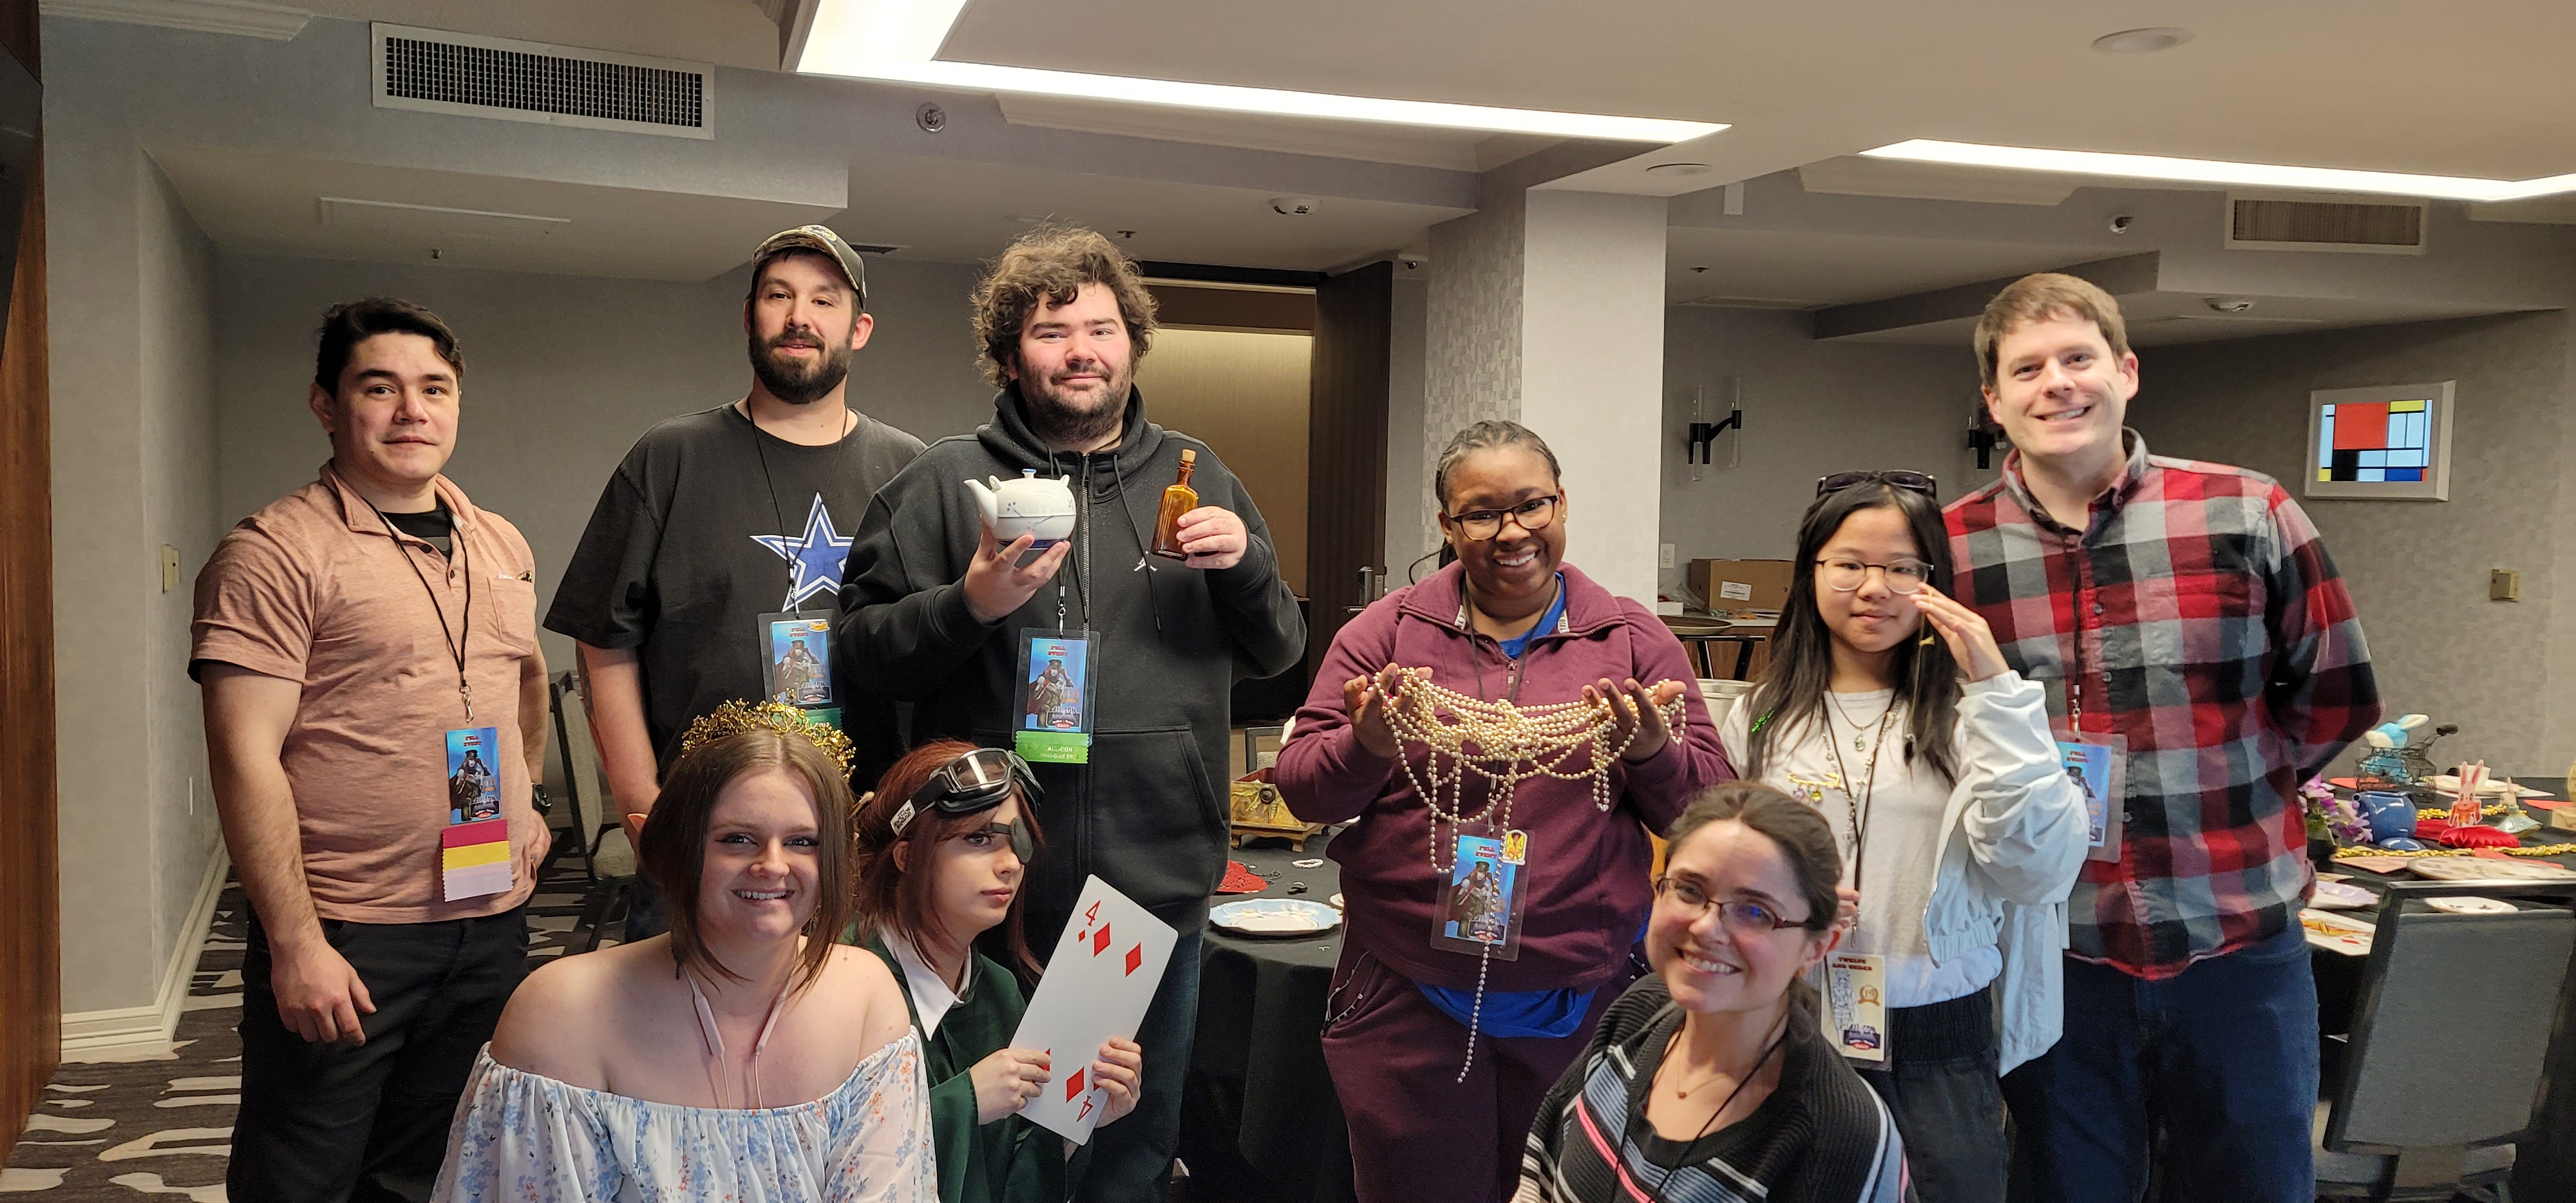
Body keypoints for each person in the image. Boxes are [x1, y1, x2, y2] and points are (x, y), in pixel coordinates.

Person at [837, 223, 1303, 1199]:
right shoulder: (942, 484)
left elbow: (1279, 652)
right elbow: (863, 654)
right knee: (991, 1136)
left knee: (1127, 1133)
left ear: (1132, 345)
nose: (1080, 350)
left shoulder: (1197, 474)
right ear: (1011, 355)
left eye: (1101, 329)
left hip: (1149, 878)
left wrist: (1248, 568)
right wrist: (971, 604)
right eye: (1052, 332)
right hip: (983, 883)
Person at [1944, 273, 2380, 1202]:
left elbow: (2336, 693)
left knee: (2255, 1187)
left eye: (2077, 357)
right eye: (2027, 368)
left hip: (2237, 944)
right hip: (2053, 953)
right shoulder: (1952, 549)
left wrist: (2239, 788)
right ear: (1994, 399)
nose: (2057, 383)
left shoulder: (2247, 510)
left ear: (2127, 372)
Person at [1273, 420, 1730, 1202]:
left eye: (1531, 504)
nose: (1511, 530)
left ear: (1561, 503)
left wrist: (1653, 751)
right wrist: (1367, 744)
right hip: (1408, 990)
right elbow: (1304, 790)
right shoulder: (1388, 632)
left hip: (1582, 994)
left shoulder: (1628, 638)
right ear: (1448, 526)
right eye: (1481, 513)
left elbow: (1711, 814)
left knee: (1565, 1190)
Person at [193, 298, 551, 1201]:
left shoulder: (500, 541)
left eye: (434, 388)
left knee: (433, 1163)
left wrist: (531, 804)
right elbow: (244, 757)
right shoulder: (275, 553)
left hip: (487, 918)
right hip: (350, 932)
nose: (412, 411)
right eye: (379, 388)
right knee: (301, 1172)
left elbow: (523, 687)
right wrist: (295, 943)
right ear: (326, 404)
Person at [547, 224, 925, 941]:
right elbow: (603, 640)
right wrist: (641, 801)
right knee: (679, 1014)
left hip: (861, 839)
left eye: (824, 300)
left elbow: (934, 644)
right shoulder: (671, 457)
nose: (799, 316)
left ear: (860, 328)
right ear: (749, 317)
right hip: (702, 839)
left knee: (851, 1013)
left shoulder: (909, 470)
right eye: (778, 296)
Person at [1718, 471, 2087, 1202]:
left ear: (1934, 581)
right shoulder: (1761, 715)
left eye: (1901, 568)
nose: (1873, 588)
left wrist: (1994, 686)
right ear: (1811, 572)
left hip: (1936, 1037)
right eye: (1849, 564)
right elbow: (1727, 867)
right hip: (1789, 1022)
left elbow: (2040, 869)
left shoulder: (1976, 714)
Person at [433, 703, 932, 1200]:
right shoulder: (562, 1011)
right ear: (677, 849)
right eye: (737, 839)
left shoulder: (868, 997)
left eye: (803, 842)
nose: (773, 865)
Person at [1517, 784, 1910, 1203]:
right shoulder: (1638, 1012)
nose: (1706, 927)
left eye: (1755, 911)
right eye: (1689, 890)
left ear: (1817, 947)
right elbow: (1536, 1181)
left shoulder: (1841, 1136)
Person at [852, 740, 1146, 1202]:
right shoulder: (843, 988)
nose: (1010, 864)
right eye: (979, 840)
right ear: (907, 857)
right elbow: (829, 1160)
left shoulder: (999, 991)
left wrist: (1073, 1123)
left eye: (1017, 841)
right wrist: (968, 1102)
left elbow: (1012, 1174)